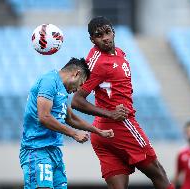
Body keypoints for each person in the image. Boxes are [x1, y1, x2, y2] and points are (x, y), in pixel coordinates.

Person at [71, 16, 174, 189]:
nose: (105, 37)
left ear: (113, 31)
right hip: (120, 125)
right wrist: (110, 113)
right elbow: (77, 101)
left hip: (104, 133)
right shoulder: (96, 63)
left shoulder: (119, 52)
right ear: (92, 39)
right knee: (159, 173)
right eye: (99, 35)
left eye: (107, 32)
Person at [19, 57, 114, 189]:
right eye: (81, 84)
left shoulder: (61, 90)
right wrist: (74, 134)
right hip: (36, 149)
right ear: (76, 73)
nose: (78, 89)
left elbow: (71, 118)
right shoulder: (49, 81)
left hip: (54, 150)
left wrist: (98, 131)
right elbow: (44, 116)